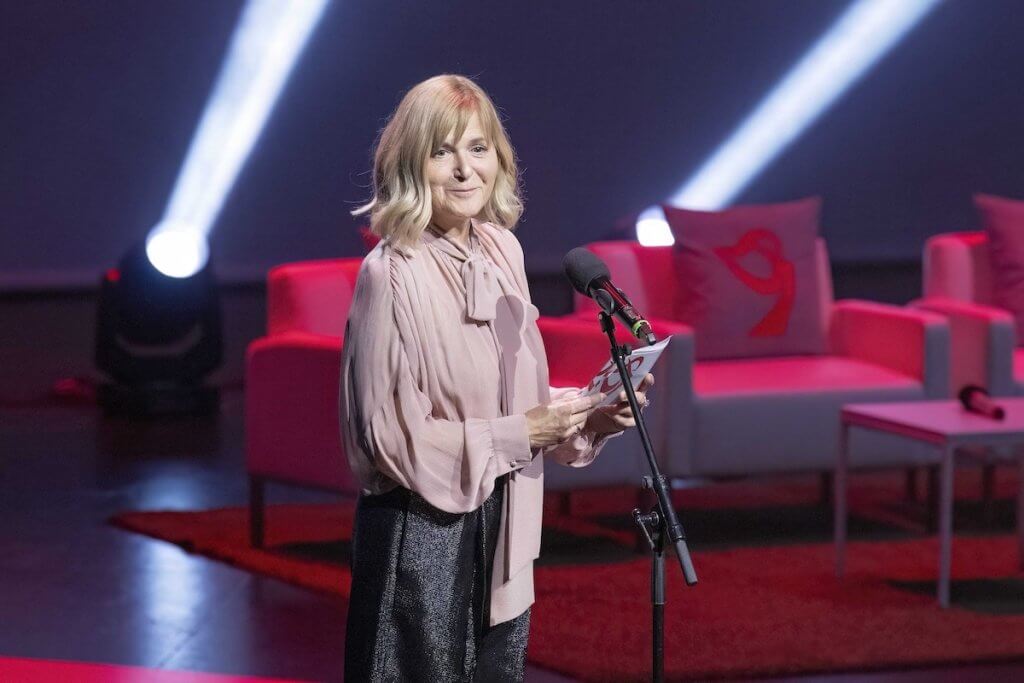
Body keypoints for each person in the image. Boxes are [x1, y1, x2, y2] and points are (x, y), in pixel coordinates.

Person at [339, 74, 654, 682]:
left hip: (506, 523)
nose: (465, 170)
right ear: (411, 164)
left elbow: (516, 403)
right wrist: (521, 433)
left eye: (477, 148)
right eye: (442, 152)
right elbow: (391, 439)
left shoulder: (502, 251)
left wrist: (590, 412)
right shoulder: (390, 273)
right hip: (422, 536)